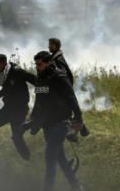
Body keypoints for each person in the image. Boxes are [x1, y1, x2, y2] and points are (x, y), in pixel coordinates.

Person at [27, 50, 85, 191]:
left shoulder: (59, 76)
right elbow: (38, 101)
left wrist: (78, 118)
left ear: (49, 62)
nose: (37, 67)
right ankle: (77, 187)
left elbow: (71, 97)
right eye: (36, 64)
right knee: (60, 158)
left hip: (61, 123)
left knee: (50, 159)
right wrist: (31, 118)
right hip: (47, 124)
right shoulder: (41, 78)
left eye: (40, 64)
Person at [0, 54, 35, 165]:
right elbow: (7, 89)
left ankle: (29, 160)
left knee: (16, 136)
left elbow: (34, 79)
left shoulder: (16, 71)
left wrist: (45, 90)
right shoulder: (5, 74)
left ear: (4, 63)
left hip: (19, 110)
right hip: (8, 109)